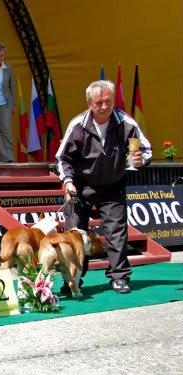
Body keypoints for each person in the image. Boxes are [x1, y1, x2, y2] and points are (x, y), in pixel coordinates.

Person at [56, 80, 152, 294]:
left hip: (112, 186)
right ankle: (72, 279)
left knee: (117, 233)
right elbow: (62, 158)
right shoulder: (77, 125)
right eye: (99, 102)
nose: (104, 106)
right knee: (74, 235)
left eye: (108, 101)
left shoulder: (127, 123)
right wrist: (68, 182)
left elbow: (147, 150)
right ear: (89, 103)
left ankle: (119, 278)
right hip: (80, 187)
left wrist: (140, 160)